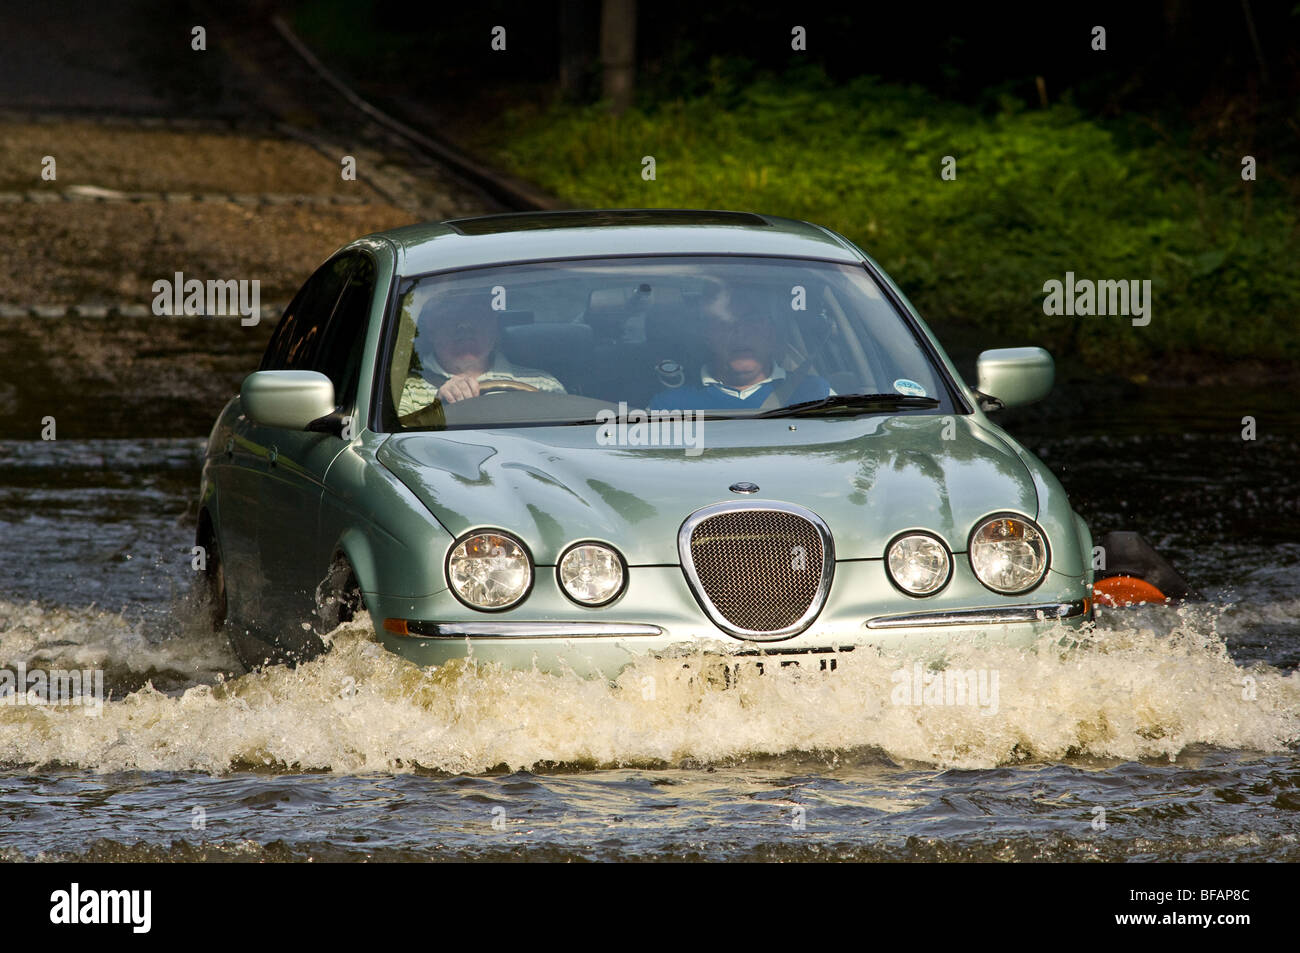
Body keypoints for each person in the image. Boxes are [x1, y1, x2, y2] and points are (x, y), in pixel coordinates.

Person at [649, 283, 831, 411]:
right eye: (724, 324)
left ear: (770, 331)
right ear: (707, 335)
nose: (740, 333)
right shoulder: (669, 406)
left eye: (751, 321)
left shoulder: (816, 395)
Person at [398, 295, 564, 418]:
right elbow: (394, 448)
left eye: (475, 312)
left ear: (495, 327)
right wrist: (436, 409)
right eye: (450, 314)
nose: (464, 325)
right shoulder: (403, 391)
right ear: (431, 329)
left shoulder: (543, 386)